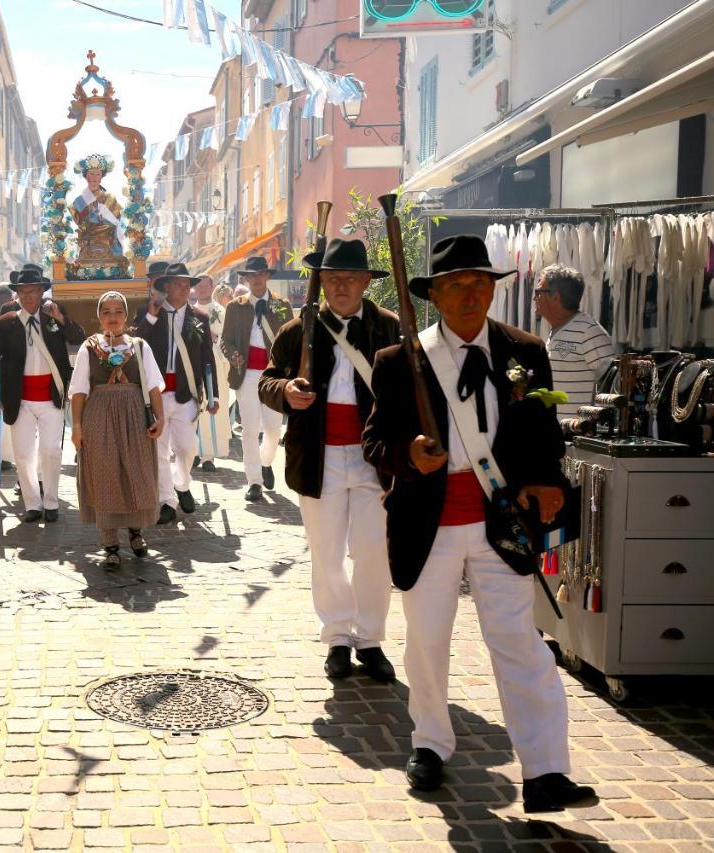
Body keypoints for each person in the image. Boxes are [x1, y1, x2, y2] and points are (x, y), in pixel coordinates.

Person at [363, 235, 596, 812]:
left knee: (520, 643)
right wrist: (408, 453)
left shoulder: (525, 350)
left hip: (502, 524)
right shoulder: (399, 362)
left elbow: (542, 436)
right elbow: (375, 440)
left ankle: (545, 771)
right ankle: (430, 743)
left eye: (482, 283)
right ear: (436, 294)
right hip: (428, 521)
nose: (472, 294)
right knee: (427, 641)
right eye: (458, 285)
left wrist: (545, 480)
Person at [259, 239, 401, 681]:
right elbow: (268, 380)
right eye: (332, 279)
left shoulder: (389, 328)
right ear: (322, 283)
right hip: (316, 459)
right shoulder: (297, 328)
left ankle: (371, 640)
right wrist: (285, 392)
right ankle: (338, 636)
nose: (341, 286)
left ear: (364, 282)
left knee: (373, 552)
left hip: (372, 459)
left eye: (349, 279)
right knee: (326, 553)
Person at [71, 291, 166, 568]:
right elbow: (78, 390)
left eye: (118, 312)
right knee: (105, 472)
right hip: (99, 416)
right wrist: (77, 426)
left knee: (136, 471)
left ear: (126, 316)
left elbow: (153, 385)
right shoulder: (88, 348)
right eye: (106, 312)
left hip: (134, 416)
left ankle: (135, 532)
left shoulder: (139, 346)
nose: (112, 318)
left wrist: (160, 417)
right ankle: (110, 541)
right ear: (99, 317)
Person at [0, 268, 85, 522]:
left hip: (50, 396)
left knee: (51, 450)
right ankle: (32, 503)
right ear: (17, 294)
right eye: (23, 291)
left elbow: (79, 338)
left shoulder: (53, 314)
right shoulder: (6, 322)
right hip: (18, 398)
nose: (28, 296)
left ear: (42, 291)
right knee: (22, 452)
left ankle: (51, 502)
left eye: (33, 291)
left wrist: (60, 318)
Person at [137, 262, 219, 523]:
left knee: (186, 448)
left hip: (186, 393)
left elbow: (208, 358)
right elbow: (136, 344)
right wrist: (150, 316)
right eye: (178, 285)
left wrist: (213, 393)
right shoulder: (150, 313)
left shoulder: (200, 319)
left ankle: (182, 484)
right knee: (159, 451)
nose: (184, 289)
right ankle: (167, 501)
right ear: (167, 287)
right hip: (156, 395)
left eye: (187, 285)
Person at [220, 256, 293, 500]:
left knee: (273, 429)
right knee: (250, 429)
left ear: (267, 276)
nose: (257, 278)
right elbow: (225, 340)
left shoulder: (282, 304)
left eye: (261, 273)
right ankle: (254, 482)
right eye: (252, 275)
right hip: (247, 374)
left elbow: (291, 340)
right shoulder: (235, 306)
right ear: (247, 279)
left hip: (273, 376)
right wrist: (234, 356)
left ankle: (265, 461)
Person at [533, 263, 615, 418]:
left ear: (555, 296)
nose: (534, 297)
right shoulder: (557, 329)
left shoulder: (588, 331)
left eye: (538, 291)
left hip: (579, 436)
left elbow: (612, 384)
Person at [193, 274, 230, 469]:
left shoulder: (220, 311)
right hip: (193, 363)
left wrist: (215, 336)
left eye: (205, 286)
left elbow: (227, 336)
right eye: (198, 286)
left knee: (210, 406)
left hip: (214, 362)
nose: (202, 289)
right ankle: (194, 452)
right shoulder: (190, 311)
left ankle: (208, 456)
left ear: (211, 287)